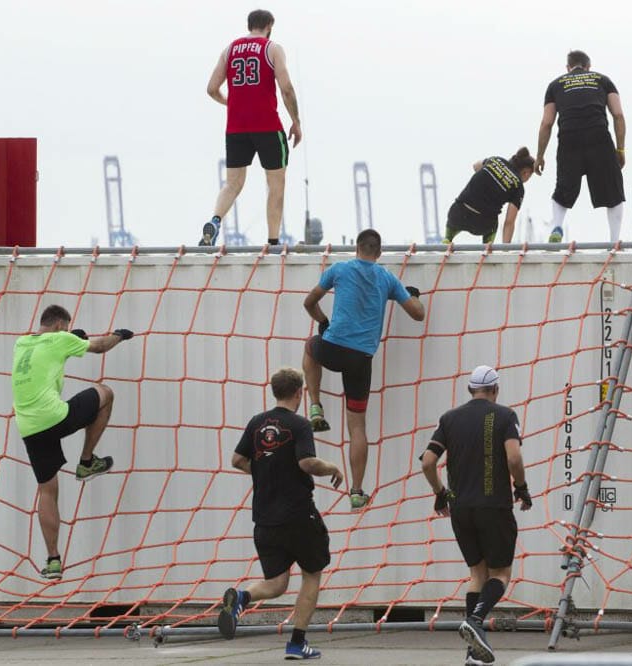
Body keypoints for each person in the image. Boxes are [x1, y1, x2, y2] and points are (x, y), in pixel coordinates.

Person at [219, 368, 343, 660]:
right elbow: (307, 463)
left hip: (264, 519)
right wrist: (331, 468)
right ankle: (297, 643)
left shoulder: (256, 422)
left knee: (276, 583)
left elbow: (237, 459)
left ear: (274, 391)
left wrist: (263, 472)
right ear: (299, 392)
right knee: (312, 574)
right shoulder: (299, 424)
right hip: (298, 516)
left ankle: (242, 597)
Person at [303, 229, 425, 510]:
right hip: (361, 360)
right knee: (357, 427)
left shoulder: (339, 269)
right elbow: (418, 314)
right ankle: (357, 491)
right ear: (378, 253)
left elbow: (309, 303)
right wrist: (411, 294)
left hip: (332, 348)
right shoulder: (387, 278)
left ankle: (315, 406)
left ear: (356, 248)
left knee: (311, 348)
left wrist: (323, 322)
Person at [10, 305, 133, 580]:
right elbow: (100, 346)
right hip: (55, 417)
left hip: (30, 427)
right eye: (66, 329)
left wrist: (71, 337)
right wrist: (120, 335)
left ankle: (53, 560)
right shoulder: (60, 339)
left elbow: (50, 353)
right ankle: (87, 462)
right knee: (105, 392)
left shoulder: (22, 343)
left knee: (47, 489)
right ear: (58, 326)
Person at [420, 365, 531, 666]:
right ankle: (477, 619)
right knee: (501, 574)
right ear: (495, 390)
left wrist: (440, 492)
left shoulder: (450, 418)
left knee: (476, 574)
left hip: (460, 509)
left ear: (470, 390)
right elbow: (514, 457)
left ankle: (473, 653)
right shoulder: (505, 416)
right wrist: (521, 487)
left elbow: (428, 461)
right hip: (493, 506)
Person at [200, 9, 301, 247]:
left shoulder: (230, 50)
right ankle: (273, 241)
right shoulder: (272, 49)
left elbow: (212, 88)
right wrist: (295, 121)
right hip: (267, 124)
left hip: (236, 127)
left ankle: (215, 221)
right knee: (276, 181)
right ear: (269, 26)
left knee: (233, 183)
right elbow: (286, 88)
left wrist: (231, 102)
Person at [535, 50, 626, 243]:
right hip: (598, 137)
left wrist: (540, 156)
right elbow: (618, 115)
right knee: (613, 191)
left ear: (568, 67)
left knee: (563, 189)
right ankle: (614, 241)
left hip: (569, 138)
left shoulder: (555, 85)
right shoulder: (603, 80)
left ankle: (557, 225)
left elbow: (546, 123)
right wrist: (620, 149)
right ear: (588, 66)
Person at [444, 148, 535, 244]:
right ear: (526, 172)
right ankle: (488, 246)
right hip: (483, 224)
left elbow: (475, 166)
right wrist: (506, 249)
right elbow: (509, 222)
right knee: (493, 225)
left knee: (453, 221)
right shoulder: (518, 186)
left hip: (457, 214)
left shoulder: (495, 160)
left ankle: (447, 239)